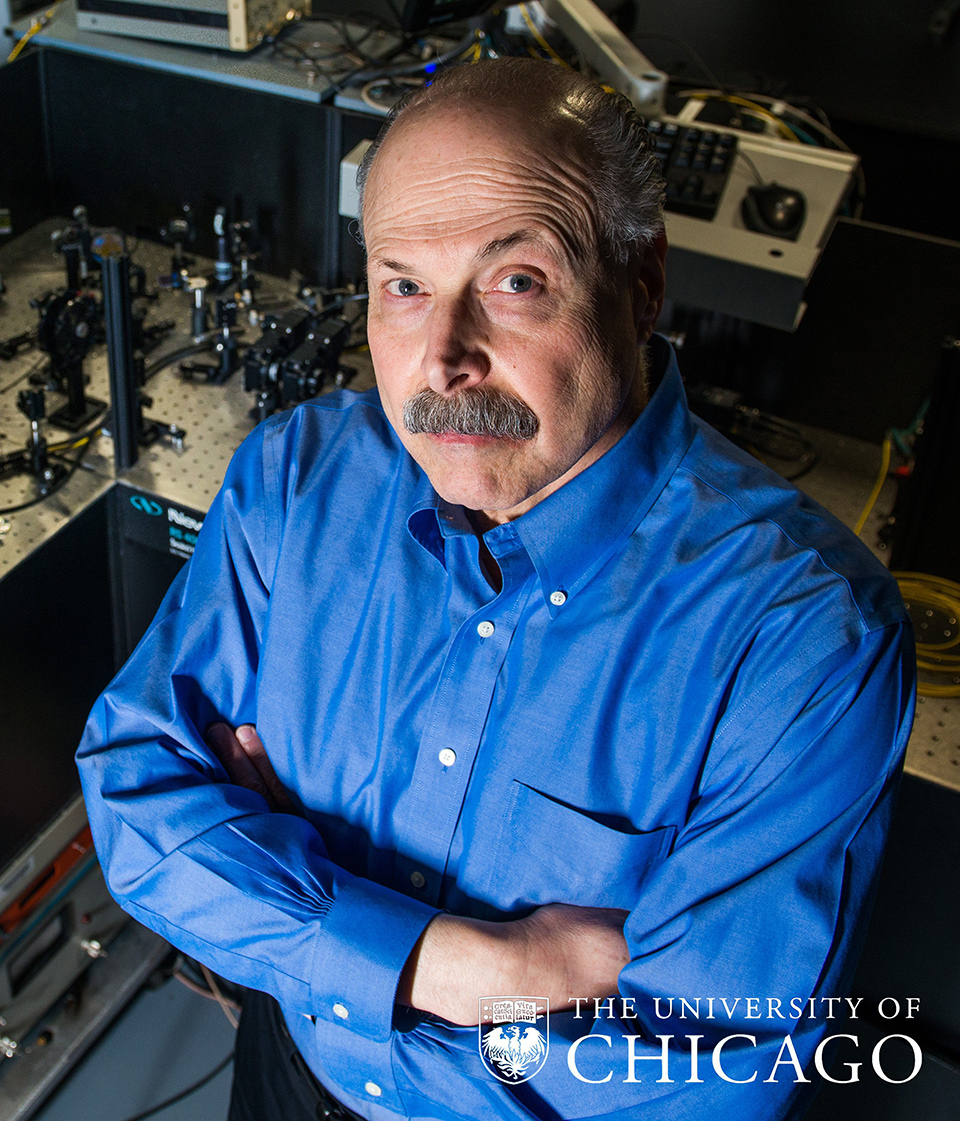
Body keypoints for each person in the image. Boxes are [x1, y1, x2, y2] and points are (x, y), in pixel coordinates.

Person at [76, 58, 915, 1121]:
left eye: (515, 281)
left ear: (643, 281)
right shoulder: (299, 480)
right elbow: (135, 792)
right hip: (293, 1076)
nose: (442, 359)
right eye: (403, 285)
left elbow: (708, 1071)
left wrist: (291, 880)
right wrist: (465, 963)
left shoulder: (802, 637)